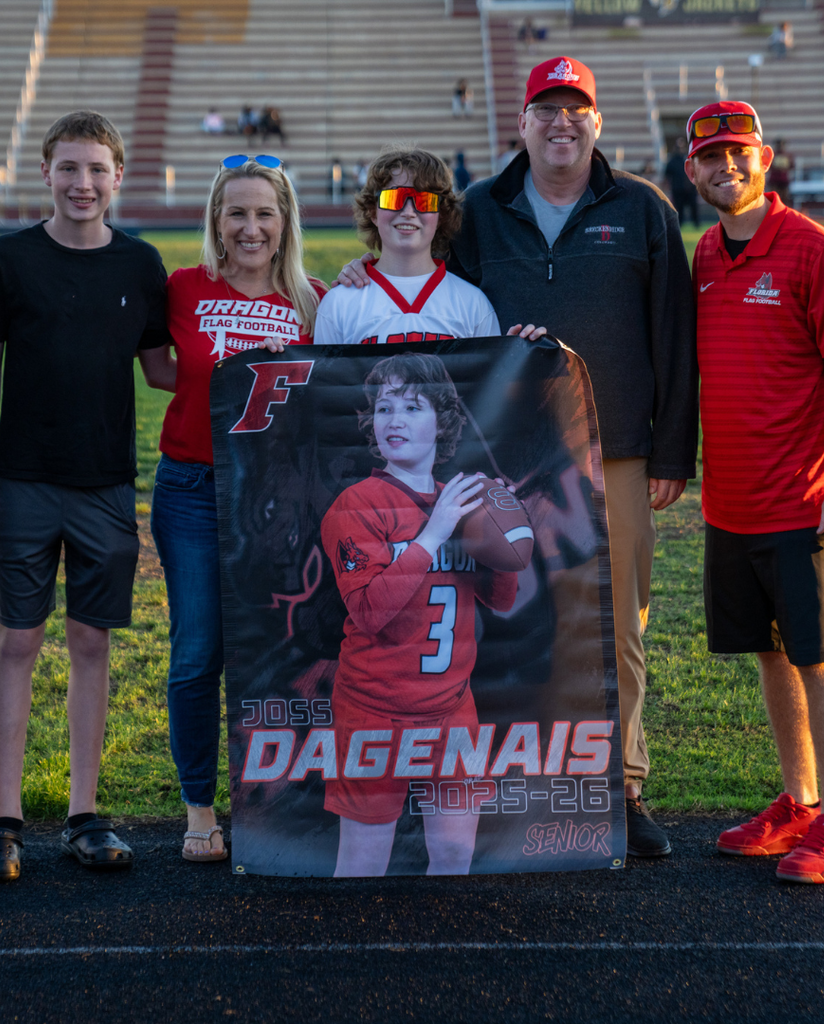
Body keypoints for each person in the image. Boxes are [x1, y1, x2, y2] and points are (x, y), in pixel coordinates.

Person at [337, 56, 698, 859]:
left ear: (597, 122)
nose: (562, 123)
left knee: (618, 625)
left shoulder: (642, 208)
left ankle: (624, 784)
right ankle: (516, 783)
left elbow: (675, 337)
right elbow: (430, 295)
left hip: (620, 450)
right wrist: (361, 271)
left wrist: (674, 448)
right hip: (506, 461)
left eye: (577, 109)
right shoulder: (483, 213)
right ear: (523, 122)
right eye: (547, 108)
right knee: (513, 619)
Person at [0, 111, 169, 881]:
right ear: (46, 172)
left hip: (107, 484)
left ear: (118, 178)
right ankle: (4, 818)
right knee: (18, 641)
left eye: (97, 170)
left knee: (91, 643)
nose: (83, 184)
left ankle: (84, 813)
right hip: (21, 480)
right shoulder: (10, 260)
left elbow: (161, 370)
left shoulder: (142, 265)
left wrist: (263, 355)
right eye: (69, 168)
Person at [140, 155, 326, 862]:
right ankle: (199, 810)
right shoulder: (183, 289)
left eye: (264, 214)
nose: (251, 228)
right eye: (237, 213)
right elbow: (161, 370)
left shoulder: (314, 298)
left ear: (285, 224)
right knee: (197, 653)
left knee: (282, 653)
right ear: (216, 219)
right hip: (191, 488)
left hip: (278, 502)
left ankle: (276, 802)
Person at [685, 100, 824, 884]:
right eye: (712, 157)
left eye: (739, 153)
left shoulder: (814, 250)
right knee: (771, 657)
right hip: (730, 503)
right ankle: (801, 802)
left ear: (765, 158)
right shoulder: (706, 255)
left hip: (802, 499)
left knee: (822, 661)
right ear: (693, 171)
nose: (727, 167)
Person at [321, 353, 522, 876]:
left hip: (453, 707)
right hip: (373, 710)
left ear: (443, 420)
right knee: (364, 862)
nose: (395, 420)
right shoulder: (357, 503)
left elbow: (501, 599)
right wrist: (433, 535)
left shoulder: (462, 502)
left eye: (412, 406)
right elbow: (368, 611)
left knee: (455, 856)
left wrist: (505, 535)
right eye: (384, 408)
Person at [316, 147, 544, 346]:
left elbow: (487, 391)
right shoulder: (338, 304)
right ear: (372, 212)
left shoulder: (473, 305)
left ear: (442, 215)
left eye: (424, 201)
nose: (408, 212)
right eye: (393, 199)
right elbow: (327, 392)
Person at [664, 136, 699, 227]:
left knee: (694, 207)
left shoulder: (690, 158)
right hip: (678, 189)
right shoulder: (672, 161)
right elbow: (667, 176)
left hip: (691, 188)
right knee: (679, 209)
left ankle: (696, 224)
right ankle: (679, 225)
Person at [767, 138, 792, 207]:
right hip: (774, 180)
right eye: (779, 145)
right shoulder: (772, 155)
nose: (780, 147)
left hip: (784, 180)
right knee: (773, 198)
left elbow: (792, 166)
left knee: (784, 199)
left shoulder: (787, 155)